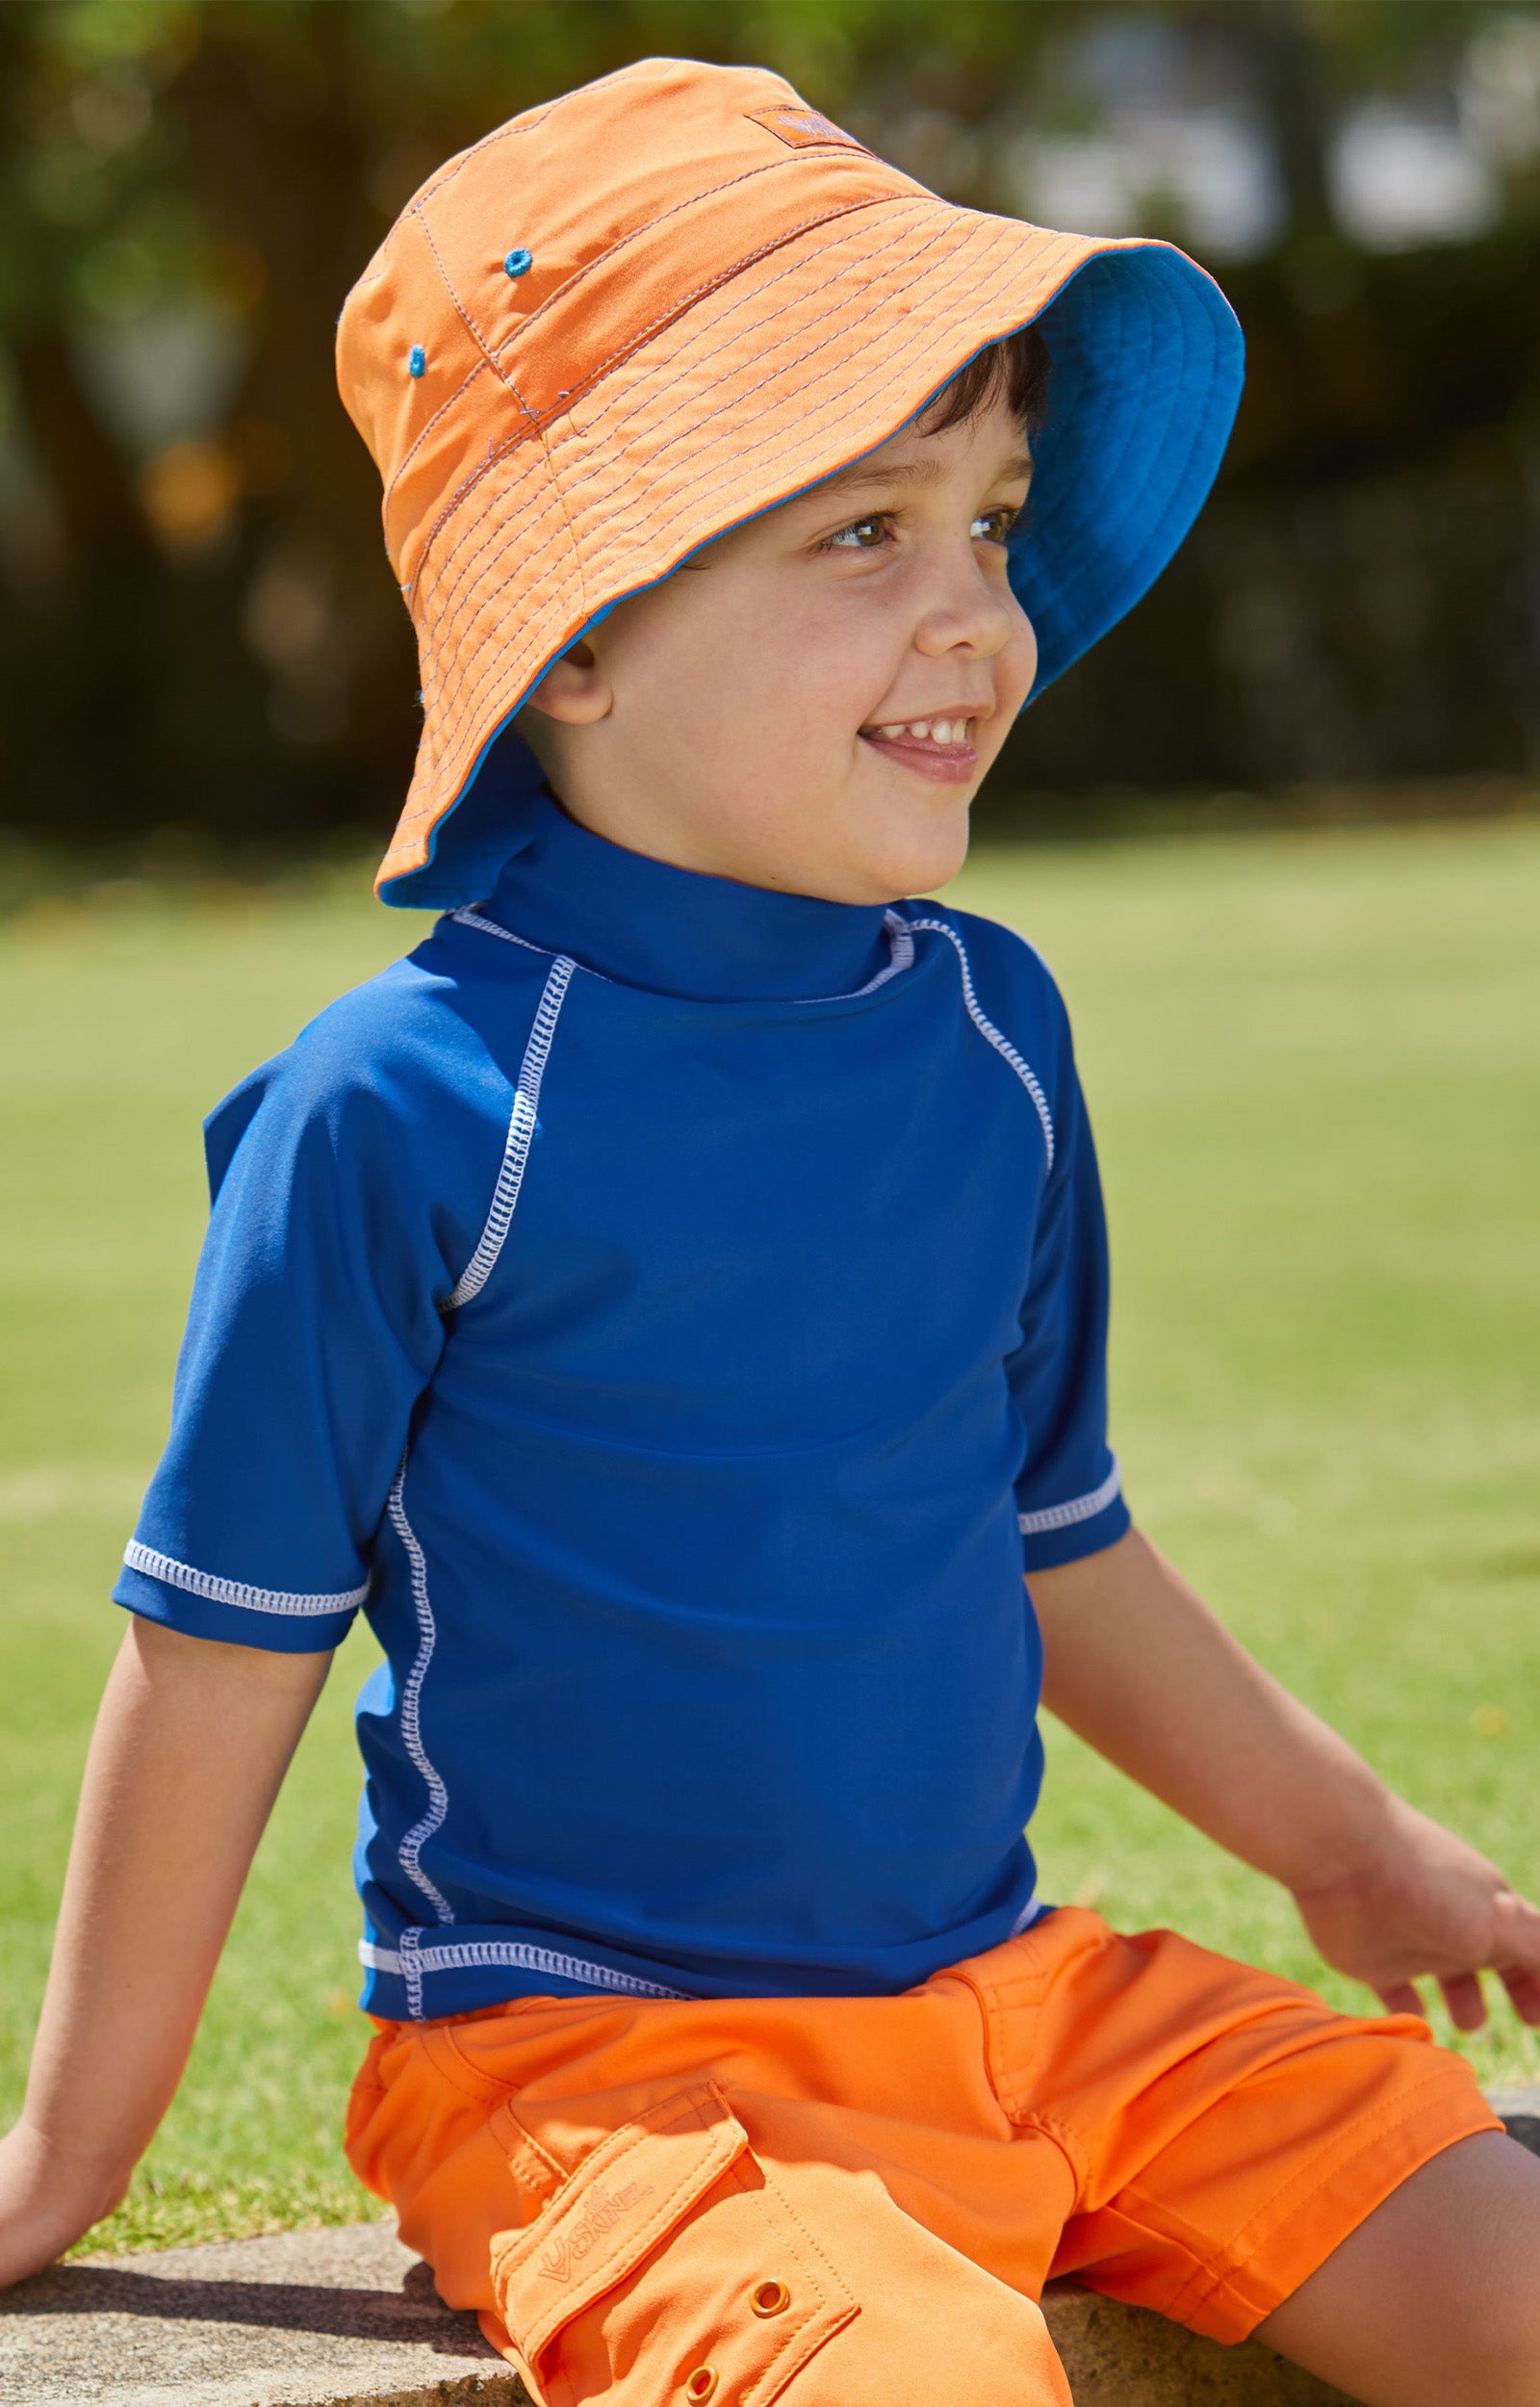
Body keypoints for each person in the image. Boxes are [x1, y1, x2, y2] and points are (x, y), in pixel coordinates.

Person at [3, 57, 1538, 2406]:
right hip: (599, 2085)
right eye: (860, 535)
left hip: (1025, 2005)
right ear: (576, 633)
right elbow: (219, 1646)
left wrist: (1354, 1854)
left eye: (994, 522)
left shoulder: (991, 1034)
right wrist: (63, 2147)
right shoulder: (399, 1106)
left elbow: (1058, 1539)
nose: (973, 623)